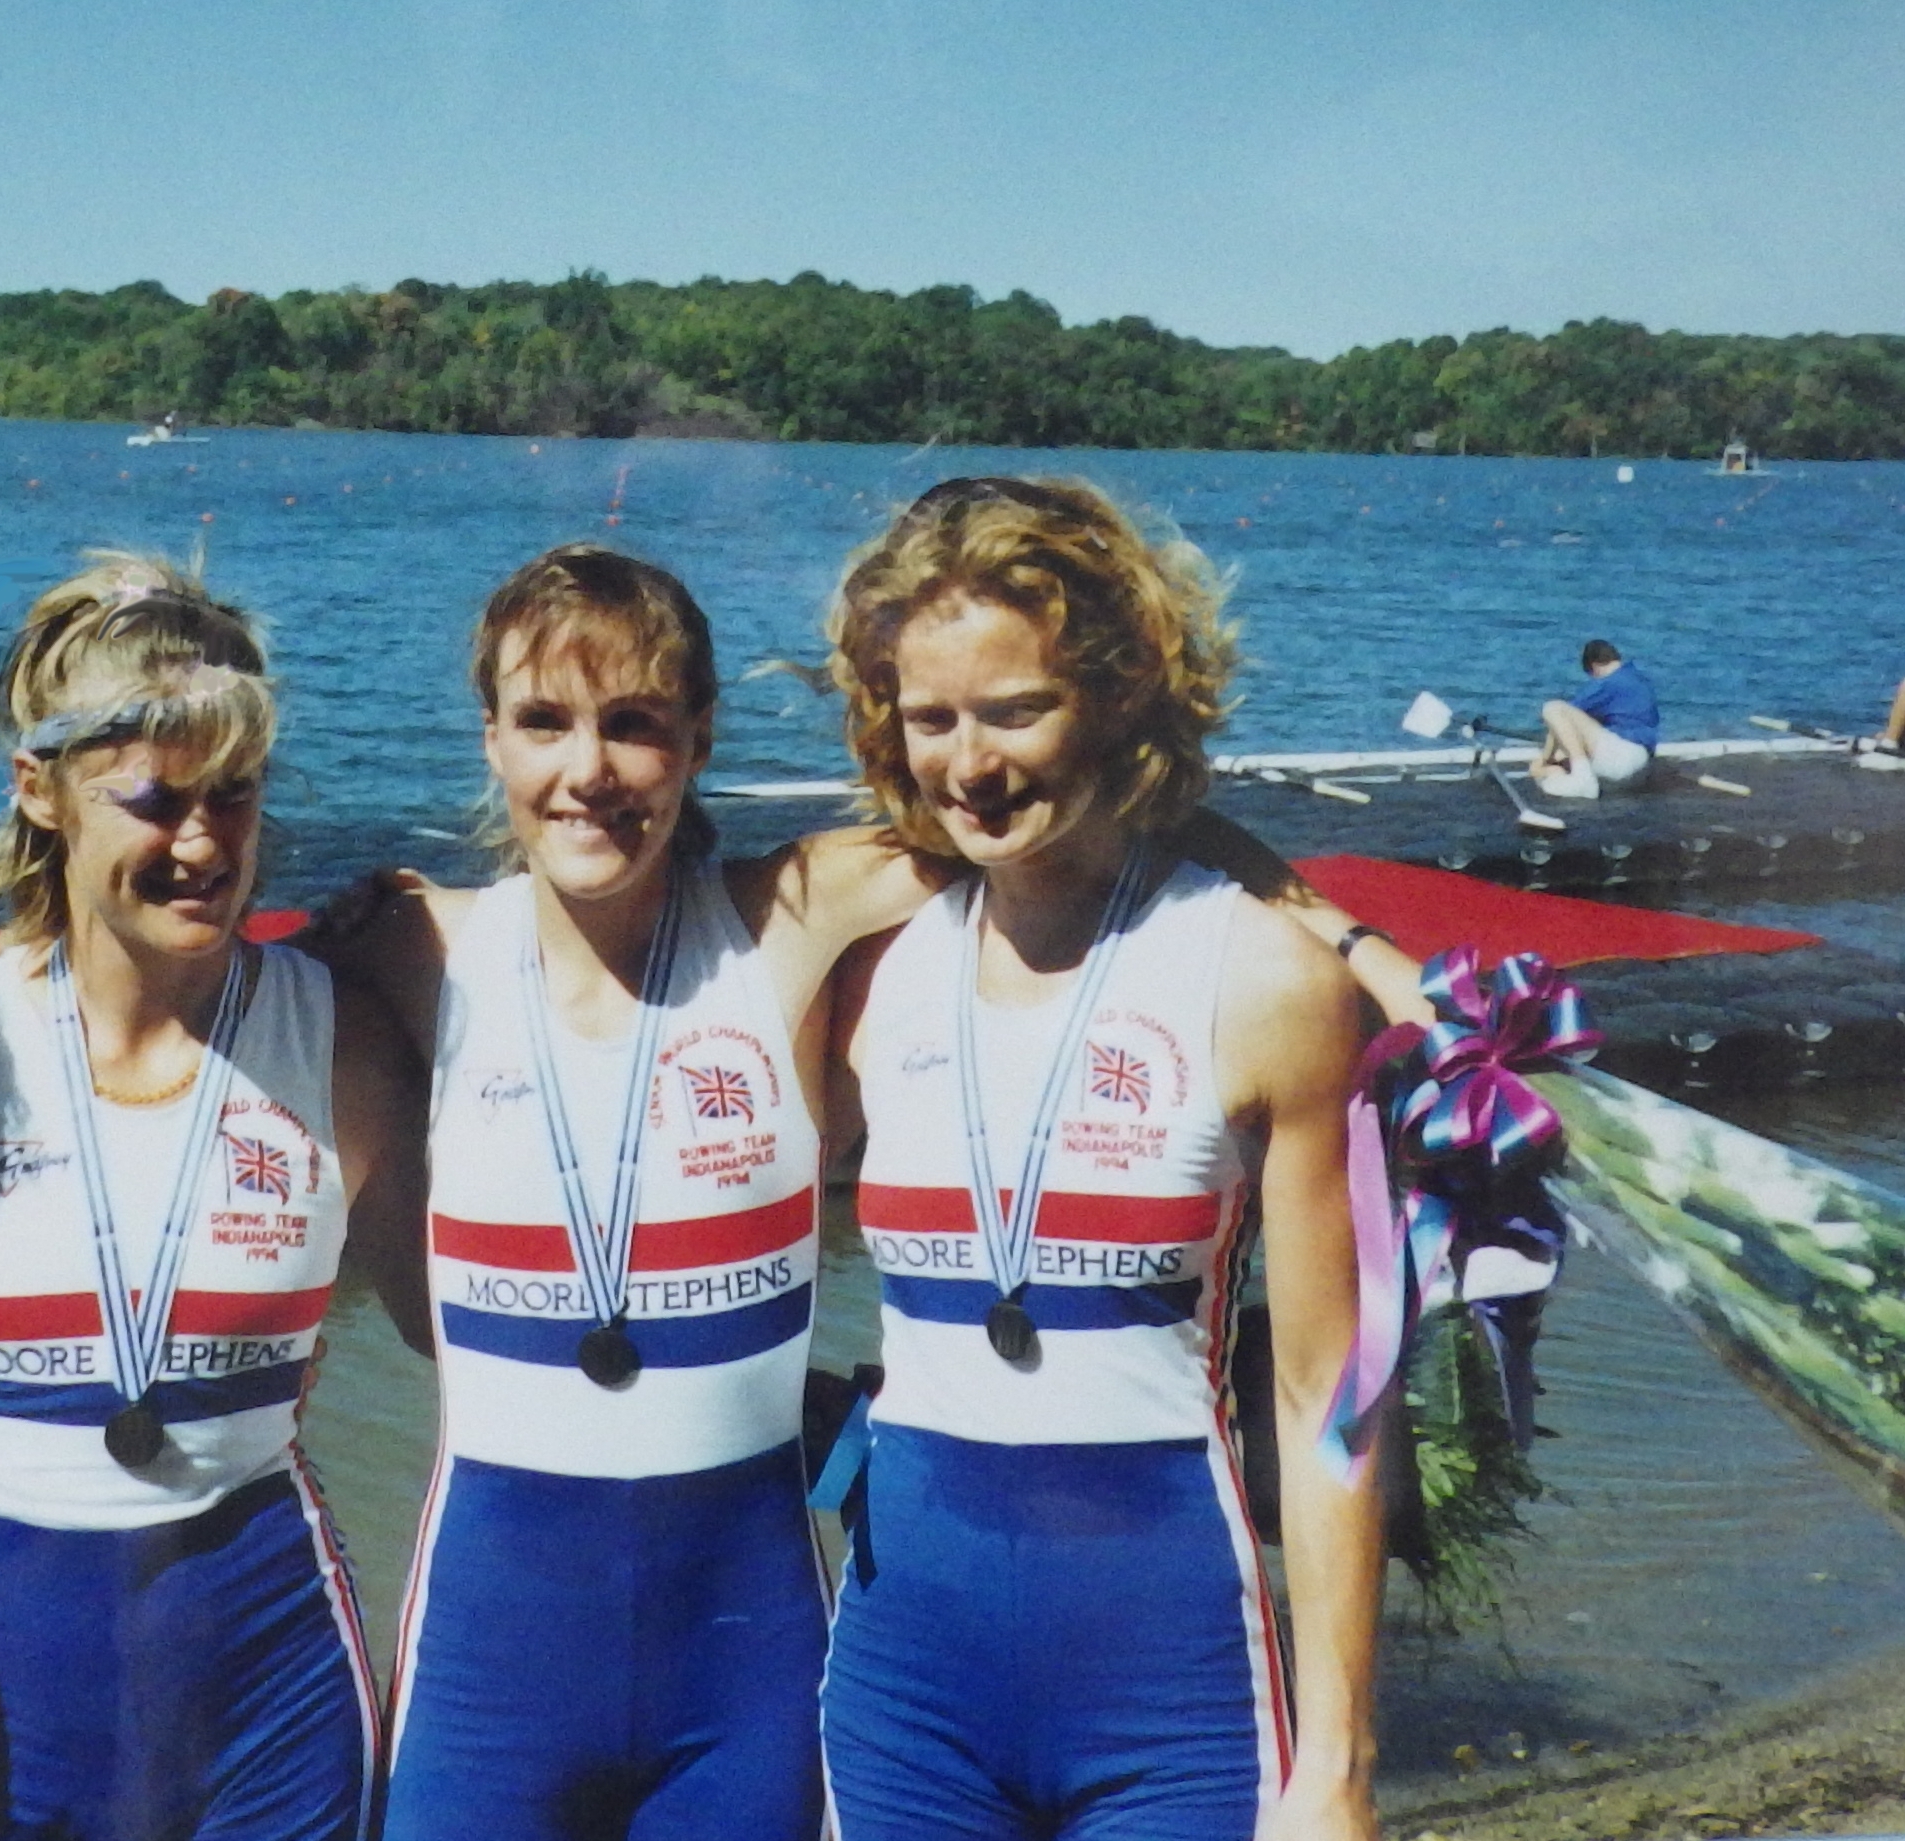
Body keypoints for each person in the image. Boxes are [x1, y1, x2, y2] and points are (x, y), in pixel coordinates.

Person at [0, 554, 428, 1841]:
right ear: (38, 789)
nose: (202, 843)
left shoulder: (340, 1039)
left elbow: (471, 1333)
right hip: (7, 1706)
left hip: (277, 1698)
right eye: (153, 798)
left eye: (234, 794)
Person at [325, 545, 946, 1841]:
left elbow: (1045, 796)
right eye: (543, 720)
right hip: (491, 1680)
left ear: (699, 737)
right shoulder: (414, 947)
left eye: (633, 724)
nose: (587, 768)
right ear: (490, 739)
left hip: (742, 1671)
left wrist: (1350, 945)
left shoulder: (786, 921)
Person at [818, 477, 1381, 1841]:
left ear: (1122, 693)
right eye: (931, 717)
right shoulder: (869, 971)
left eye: (1016, 710)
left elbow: (1328, 1396)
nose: (970, 763)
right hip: (903, 1693)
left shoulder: (1259, 977)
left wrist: (1337, 1767)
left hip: (1167, 1692)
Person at [1529, 638, 1657, 799]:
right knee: (1562, 757)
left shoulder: (1607, 684)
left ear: (1594, 666)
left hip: (1621, 760)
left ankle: (1583, 779)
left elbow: (1563, 719)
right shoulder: (1638, 678)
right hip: (1642, 766)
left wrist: (1544, 759)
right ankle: (1571, 774)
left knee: (1553, 708)